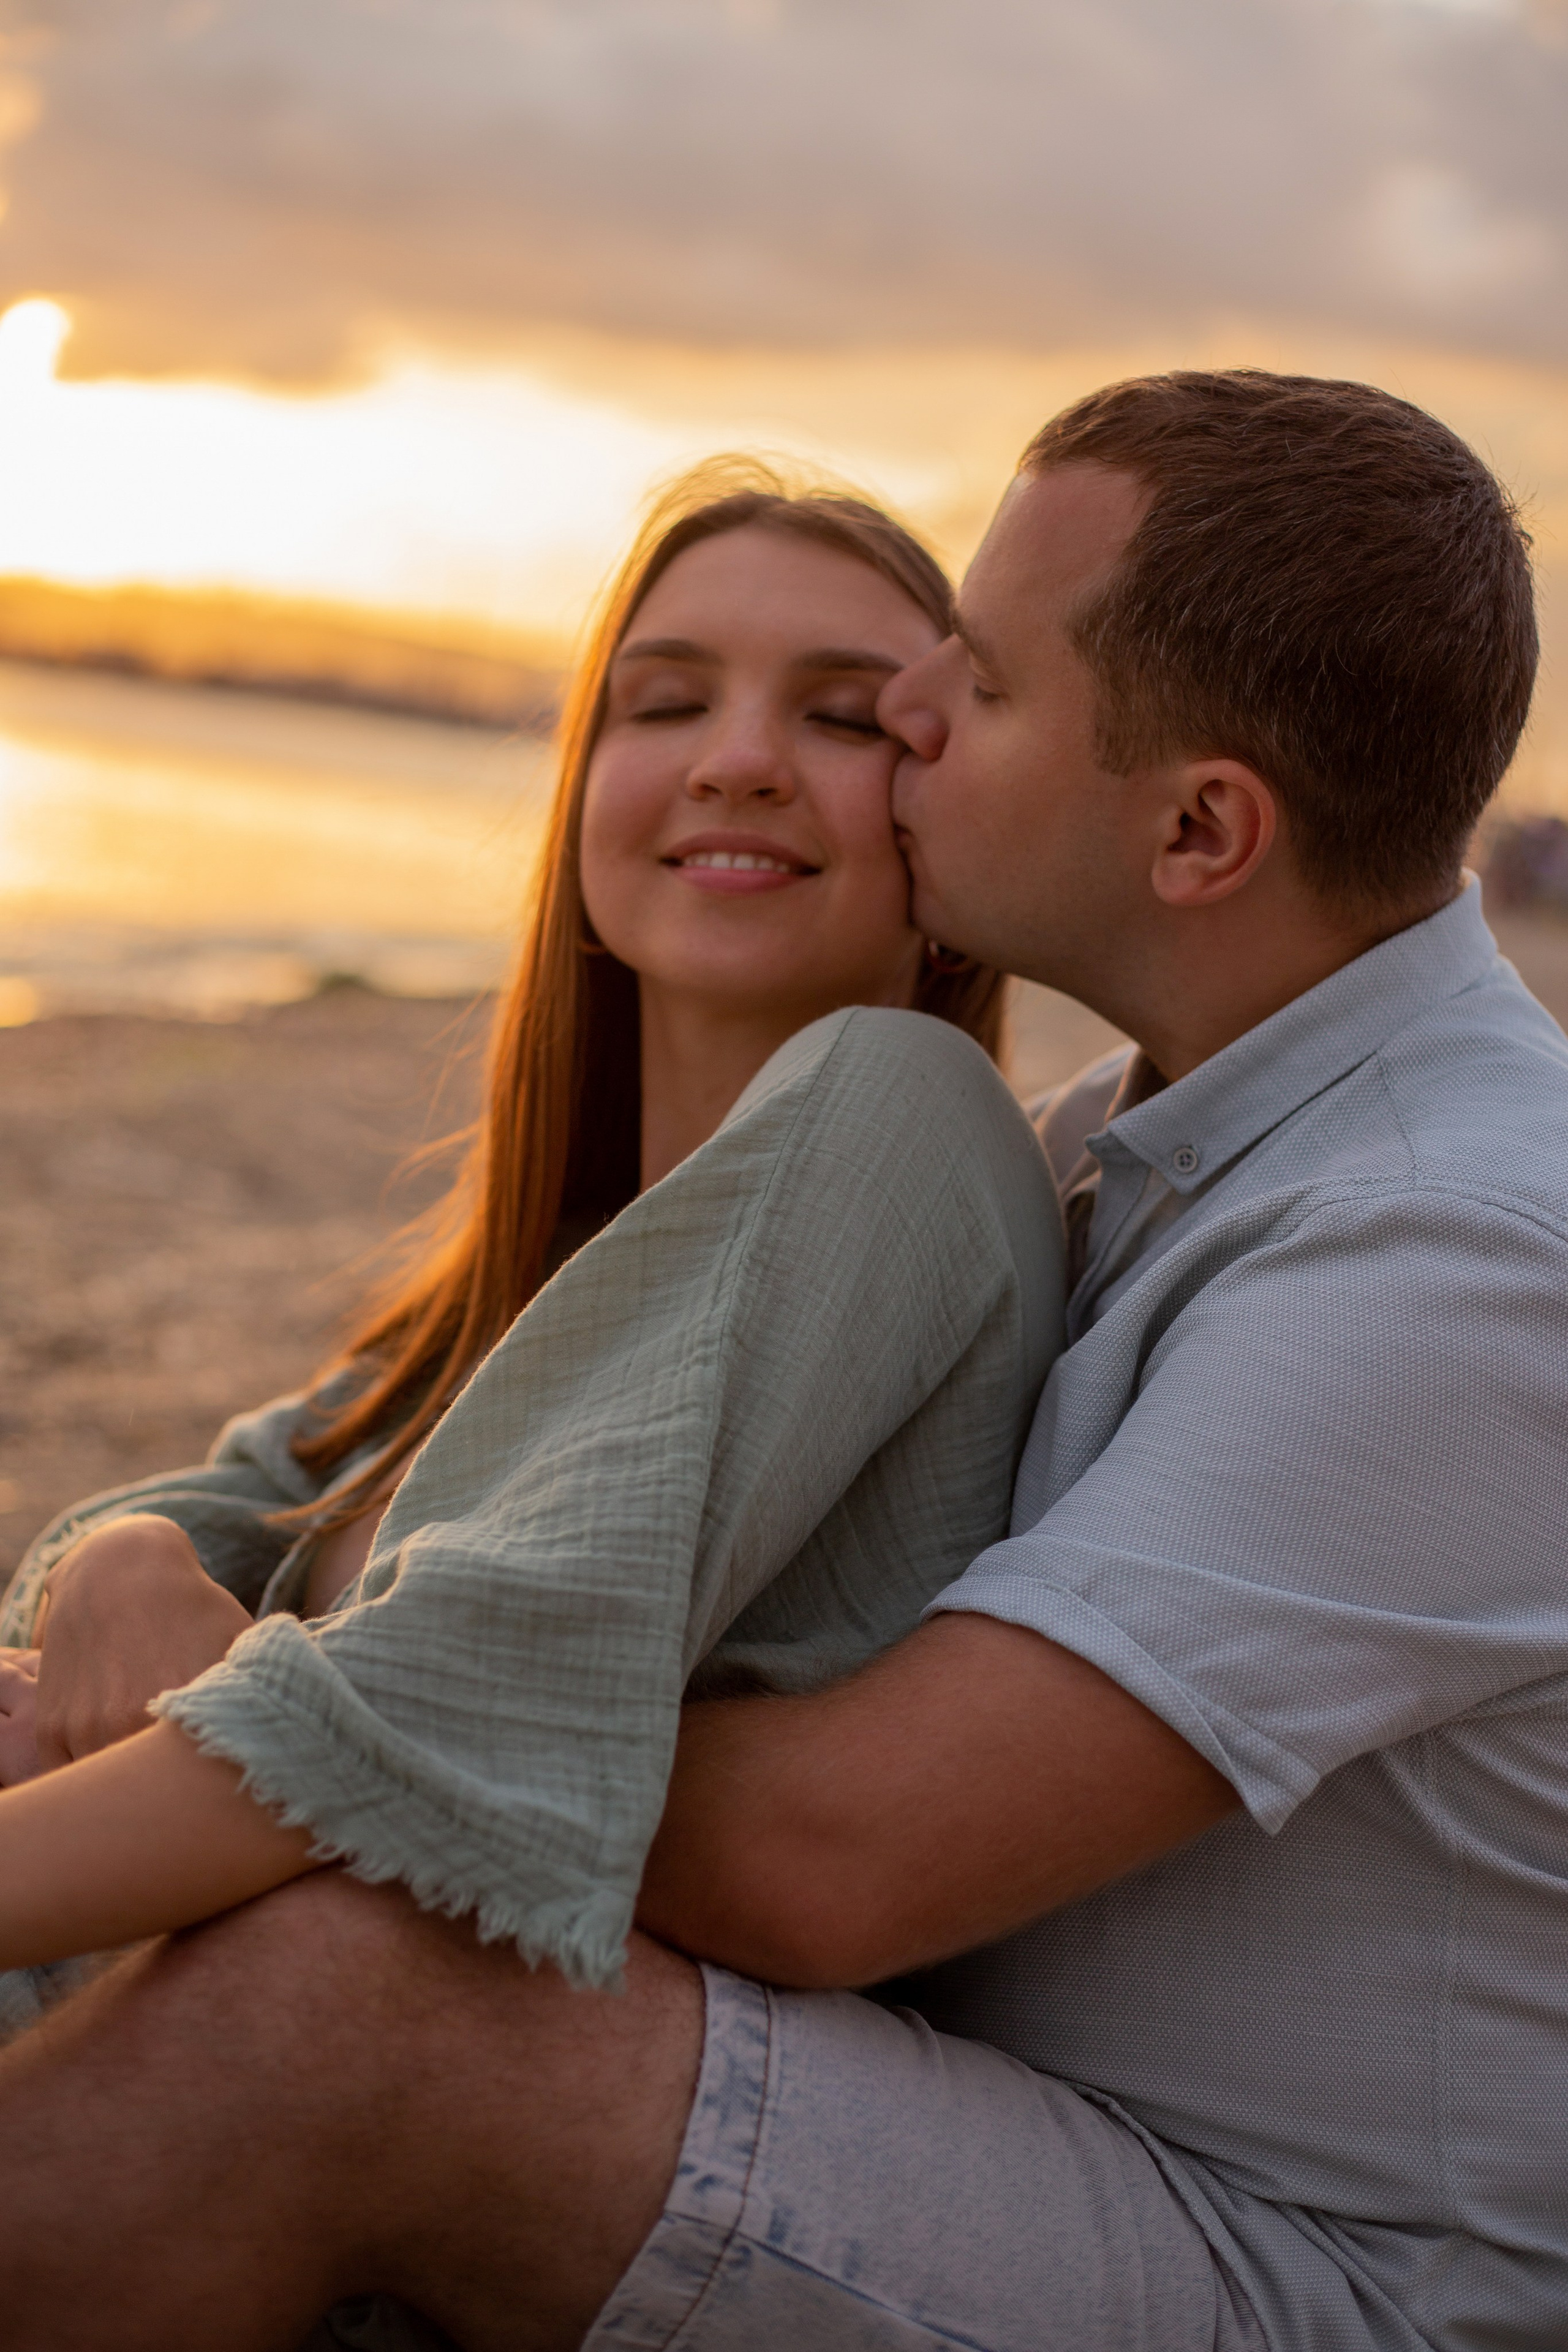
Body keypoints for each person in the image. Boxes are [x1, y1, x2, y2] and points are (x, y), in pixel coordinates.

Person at [0, 368, 1561, 2352]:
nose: (907, 721)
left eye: (961, 689)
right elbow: (274, 1489)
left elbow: (844, 1860)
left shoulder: (1469, 1250)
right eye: (664, 699)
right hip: (1010, 2133)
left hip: (1302, 2272)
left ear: (1198, 829)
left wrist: (348, 1722)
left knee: (355, 1996)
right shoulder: (1134, 1140)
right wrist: (176, 1608)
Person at [0, 461, 1063, 2038]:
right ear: (583, 782)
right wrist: (124, 1561)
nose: (739, 762)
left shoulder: (916, 1125)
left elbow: (444, 1699)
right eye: (664, 703)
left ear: (946, 826)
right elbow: (217, 1499)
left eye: (843, 717)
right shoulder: (546, 1272)